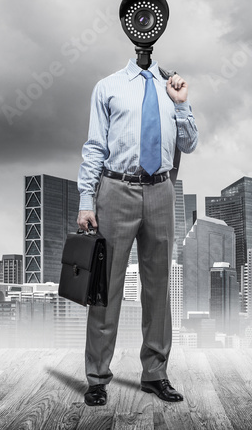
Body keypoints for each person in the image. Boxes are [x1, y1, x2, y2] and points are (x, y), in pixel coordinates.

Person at [76, 56, 198, 406]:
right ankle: (97, 378)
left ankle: (155, 375)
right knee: (105, 287)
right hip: (116, 190)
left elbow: (189, 145)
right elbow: (95, 147)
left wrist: (182, 103)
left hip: (161, 191)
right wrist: (87, 200)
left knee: (159, 288)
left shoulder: (171, 87)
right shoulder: (108, 87)